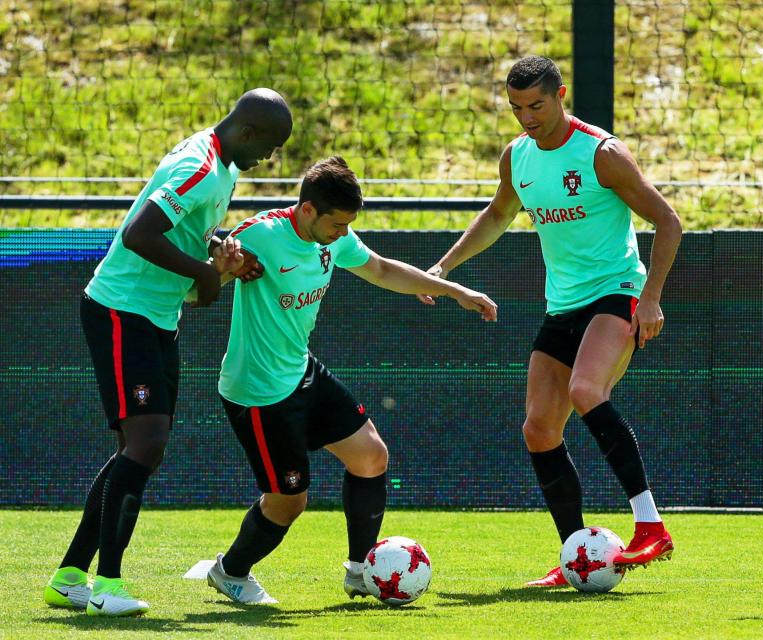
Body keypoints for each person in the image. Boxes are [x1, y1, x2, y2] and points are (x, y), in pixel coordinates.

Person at [417, 56, 682, 586]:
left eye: (536, 105)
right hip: (562, 306)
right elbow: (497, 215)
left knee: (587, 388)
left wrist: (651, 298)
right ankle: (573, 557)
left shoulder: (602, 154)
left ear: (560, 94)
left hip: (617, 292)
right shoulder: (517, 158)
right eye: (516, 108)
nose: (527, 118)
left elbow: (668, 222)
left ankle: (651, 526)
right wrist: (445, 267)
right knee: (538, 429)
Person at [43, 88, 293, 617]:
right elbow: (139, 234)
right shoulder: (199, 164)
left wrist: (219, 250)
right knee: (146, 443)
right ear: (247, 132)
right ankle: (107, 584)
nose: (268, 158)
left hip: (157, 317)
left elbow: (184, 228)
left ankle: (70, 576)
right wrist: (207, 274)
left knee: (136, 449)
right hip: (121, 310)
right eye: (269, 147)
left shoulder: (224, 166)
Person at [203, 156, 497, 604]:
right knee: (288, 503)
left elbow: (378, 268)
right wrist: (222, 267)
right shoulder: (260, 235)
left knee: (371, 457)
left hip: (300, 370)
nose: (343, 233)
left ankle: (362, 570)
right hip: (258, 392)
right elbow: (200, 288)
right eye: (337, 224)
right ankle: (231, 571)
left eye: (348, 225)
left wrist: (454, 290)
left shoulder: (333, 239)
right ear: (307, 211)